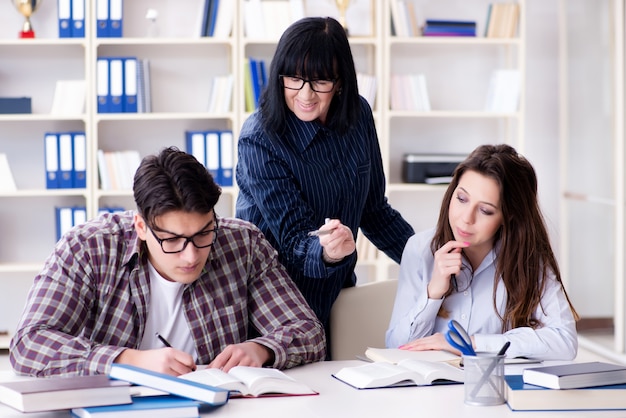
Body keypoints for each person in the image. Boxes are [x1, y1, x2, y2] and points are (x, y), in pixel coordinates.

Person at [10, 147, 326, 377]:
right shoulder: (89, 247)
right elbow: (29, 344)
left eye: (204, 234)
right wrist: (129, 360)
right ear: (141, 226)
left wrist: (262, 349)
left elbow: (308, 331)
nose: (191, 256)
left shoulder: (242, 242)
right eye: (172, 240)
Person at [235, 16, 414, 339]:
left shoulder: (358, 116)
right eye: (294, 79)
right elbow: (293, 241)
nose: (305, 94)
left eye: (320, 82)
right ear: (280, 77)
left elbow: (374, 211)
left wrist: (424, 259)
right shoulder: (259, 137)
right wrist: (329, 252)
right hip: (273, 305)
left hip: (337, 293)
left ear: (340, 81)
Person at [386, 144, 579, 360]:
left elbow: (564, 341)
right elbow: (397, 348)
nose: (466, 218)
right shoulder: (420, 249)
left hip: (496, 388)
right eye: (461, 199)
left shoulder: (528, 258)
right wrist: (434, 293)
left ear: (508, 217)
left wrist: (470, 344)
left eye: (485, 210)